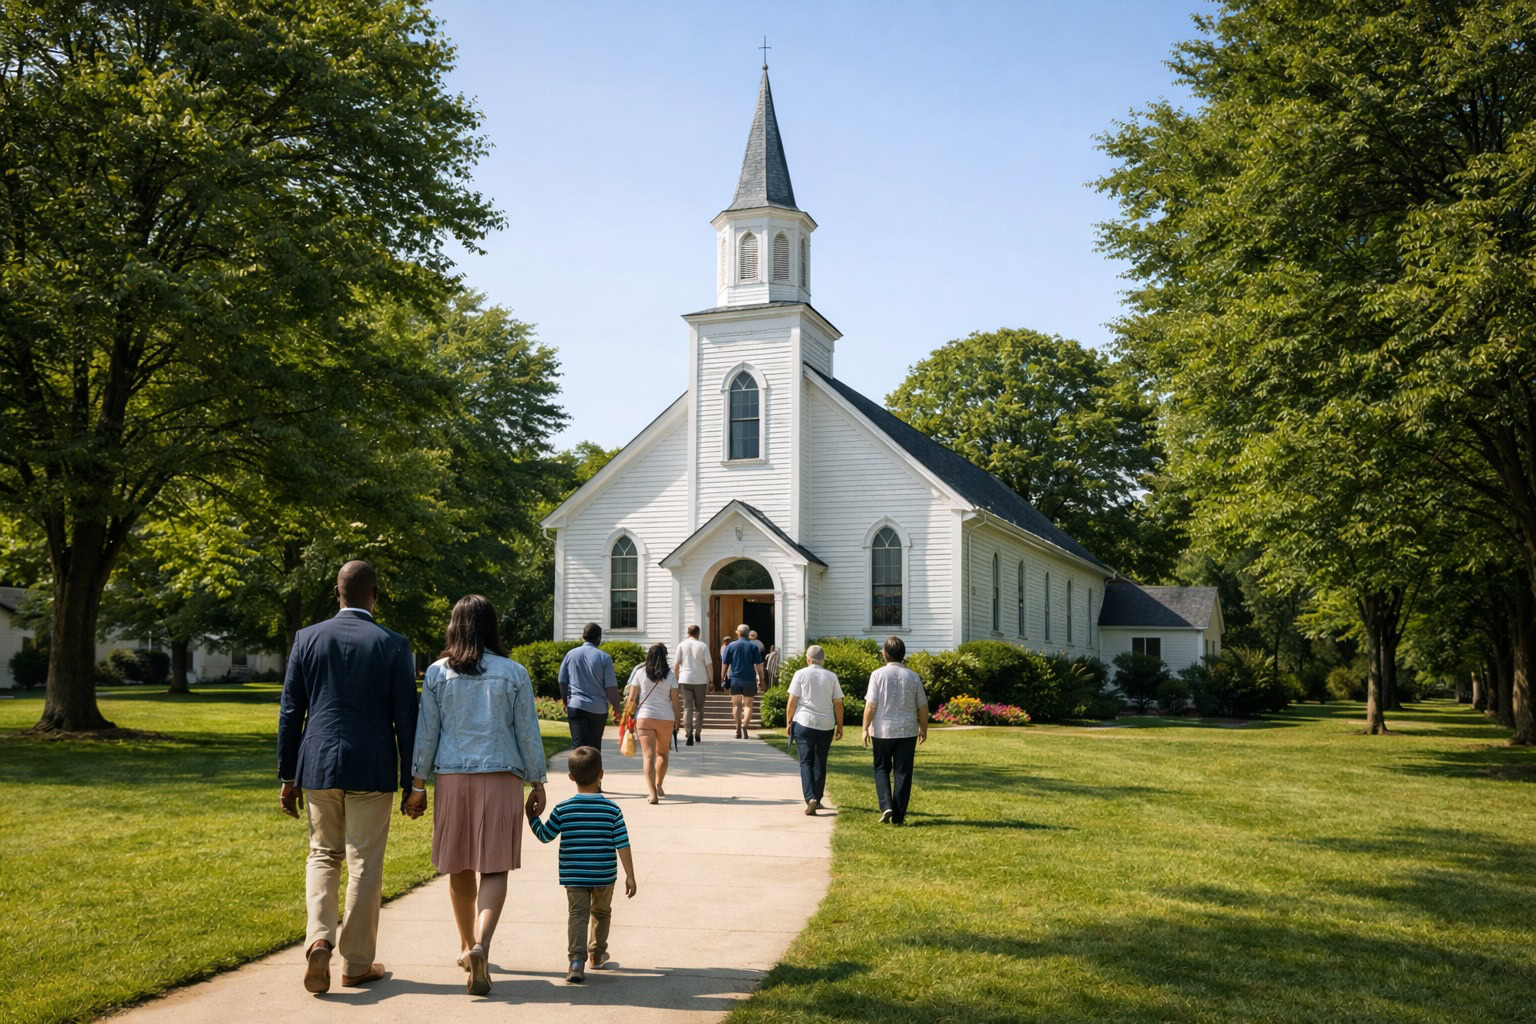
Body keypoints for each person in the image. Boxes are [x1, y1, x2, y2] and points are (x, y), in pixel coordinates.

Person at [277, 560, 417, 995]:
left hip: (317, 761)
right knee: (364, 862)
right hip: (372, 765)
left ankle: (319, 938)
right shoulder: (394, 645)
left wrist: (287, 774)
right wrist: (414, 781)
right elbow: (407, 719)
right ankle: (356, 963)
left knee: (323, 855)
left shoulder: (306, 638)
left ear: (337, 592)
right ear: (374, 594)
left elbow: (290, 712)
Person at [406, 595, 548, 996]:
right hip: (502, 776)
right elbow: (527, 732)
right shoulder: (514, 672)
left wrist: (418, 785)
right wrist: (537, 781)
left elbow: (427, 733)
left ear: (454, 626)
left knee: (460, 866)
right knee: (495, 866)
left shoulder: (436, 673)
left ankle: (467, 946)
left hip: (452, 777)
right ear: (491, 626)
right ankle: (484, 944)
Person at [528, 746, 637, 985]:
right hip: (604, 875)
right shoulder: (612, 810)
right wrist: (630, 875)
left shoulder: (563, 809)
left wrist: (532, 817)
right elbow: (622, 843)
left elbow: (546, 836)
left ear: (571, 777)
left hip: (574, 874)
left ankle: (576, 961)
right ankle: (596, 955)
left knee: (577, 915)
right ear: (602, 775)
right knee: (601, 913)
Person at [861, 635, 928, 826]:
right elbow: (922, 706)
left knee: (881, 768)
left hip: (882, 730)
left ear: (885, 653)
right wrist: (924, 728)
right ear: (903, 655)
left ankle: (886, 805)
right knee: (903, 773)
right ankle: (898, 817)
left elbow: (871, 704)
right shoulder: (913, 676)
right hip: (907, 730)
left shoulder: (877, 674)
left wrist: (865, 728)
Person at [785, 644, 844, 815]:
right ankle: (817, 799)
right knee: (820, 761)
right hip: (826, 724)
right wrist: (839, 726)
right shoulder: (831, 676)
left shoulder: (800, 674)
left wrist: (789, 721)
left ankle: (809, 796)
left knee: (806, 762)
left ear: (807, 659)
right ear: (823, 659)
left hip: (804, 721)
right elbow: (838, 703)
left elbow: (792, 701)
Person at [625, 643, 682, 803]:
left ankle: (652, 793)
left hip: (645, 717)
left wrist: (628, 716)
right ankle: (659, 784)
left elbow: (631, 698)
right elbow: (675, 700)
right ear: (665, 656)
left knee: (648, 755)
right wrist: (678, 719)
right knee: (663, 754)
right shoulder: (670, 675)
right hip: (666, 718)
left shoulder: (640, 672)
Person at [558, 623, 622, 751]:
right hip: (597, 709)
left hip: (576, 705)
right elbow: (611, 688)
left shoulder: (571, 654)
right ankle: (594, 770)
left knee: (579, 749)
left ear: (584, 636)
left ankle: (578, 770)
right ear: (599, 638)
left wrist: (566, 700)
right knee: (594, 749)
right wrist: (617, 708)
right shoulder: (604, 657)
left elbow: (562, 680)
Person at [722, 624, 763, 738]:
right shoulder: (753, 647)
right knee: (748, 705)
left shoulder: (731, 646)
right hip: (750, 679)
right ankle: (745, 725)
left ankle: (738, 726)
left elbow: (725, 664)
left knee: (736, 705)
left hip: (735, 679)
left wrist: (722, 677)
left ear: (738, 633)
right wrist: (762, 681)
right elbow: (759, 667)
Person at [673, 625, 712, 745]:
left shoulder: (681, 645)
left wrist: (676, 678)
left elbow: (676, 664)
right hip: (700, 679)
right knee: (699, 708)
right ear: (698, 633)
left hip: (685, 679)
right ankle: (698, 733)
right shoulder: (703, 646)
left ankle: (688, 732)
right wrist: (711, 680)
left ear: (688, 633)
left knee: (687, 707)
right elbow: (709, 665)